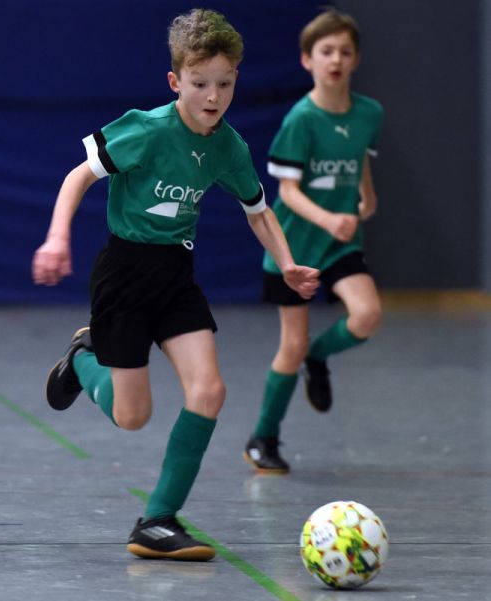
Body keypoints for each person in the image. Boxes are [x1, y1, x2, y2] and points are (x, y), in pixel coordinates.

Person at [32, 9, 319, 561]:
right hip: (124, 276)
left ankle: (157, 521)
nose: (213, 96)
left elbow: (258, 210)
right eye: (200, 83)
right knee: (132, 416)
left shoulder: (228, 146)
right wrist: (57, 237)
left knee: (209, 391)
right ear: (175, 81)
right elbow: (78, 176)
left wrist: (287, 263)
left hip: (176, 276)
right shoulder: (147, 129)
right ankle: (82, 361)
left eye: (224, 84)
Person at [243, 9, 382, 474]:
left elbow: (359, 157)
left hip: (341, 242)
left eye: (344, 51)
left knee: (367, 315)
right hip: (297, 246)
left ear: (355, 59)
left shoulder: (368, 113)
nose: (335, 59)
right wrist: (328, 218)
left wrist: (366, 196)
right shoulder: (301, 119)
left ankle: (318, 356)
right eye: (326, 51)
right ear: (307, 60)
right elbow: (287, 192)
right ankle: (263, 438)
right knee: (291, 345)